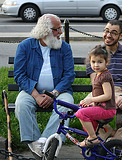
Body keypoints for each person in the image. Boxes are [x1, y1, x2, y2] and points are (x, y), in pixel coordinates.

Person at [14, 14, 75, 158]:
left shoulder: (64, 47)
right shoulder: (25, 46)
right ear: (44, 30)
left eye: (60, 28)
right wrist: (35, 94)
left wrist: (53, 93)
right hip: (31, 91)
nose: (60, 32)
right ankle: (38, 143)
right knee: (22, 104)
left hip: (59, 91)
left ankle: (45, 141)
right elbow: (19, 75)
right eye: (56, 29)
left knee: (66, 105)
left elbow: (69, 75)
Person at [74, 45, 117, 147]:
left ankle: (93, 138)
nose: (96, 65)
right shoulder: (98, 74)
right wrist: (93, 103)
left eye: (100, 62)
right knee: (83, 111)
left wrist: (91, 99)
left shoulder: (105, 76)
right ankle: (93, 145)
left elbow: (107, 95)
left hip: (107, 109)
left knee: (81, 113)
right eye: (93, 62)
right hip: (102, 107)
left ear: (106, 62)